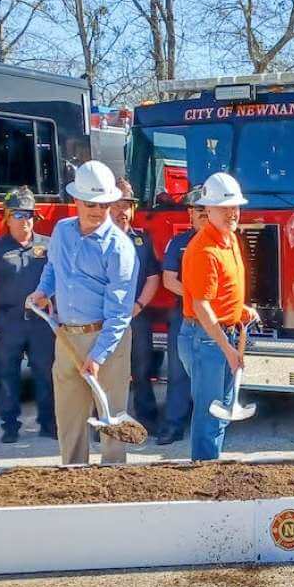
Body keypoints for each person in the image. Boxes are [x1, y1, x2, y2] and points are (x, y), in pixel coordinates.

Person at [27, 161, 138, 465]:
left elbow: (120, 312)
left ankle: (114, 481)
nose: (98, 211)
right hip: (65, 337)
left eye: (104, 205)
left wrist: (99, 355)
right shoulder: (62, 232)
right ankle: (74, 479)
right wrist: (42, 291)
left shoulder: (120, 249)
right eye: (90, 204)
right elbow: (52, 268)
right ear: (75, 200)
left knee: (111, 418)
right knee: (70, 417)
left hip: (108, 340)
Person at [179, 173, 258, 461]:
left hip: (222, 334)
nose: (231, 213)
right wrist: (227, 348)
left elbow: (223, 292)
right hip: (207, 339)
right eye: (224, 208)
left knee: (222, 409)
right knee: (210, 411)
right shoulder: (204, 250)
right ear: (207, 210)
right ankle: (204, 471)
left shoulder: (231, 240)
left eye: (235, 207)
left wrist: (241, 309)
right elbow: (202, 306)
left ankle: (212, 464)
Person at [0, 187, 55, 443]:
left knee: (45, 373)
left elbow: (59, 281)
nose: (25, 220)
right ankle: (10, 426)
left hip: (40, 321)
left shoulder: (48, 245)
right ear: (7, 218)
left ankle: (48, 423)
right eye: (19, 214)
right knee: (8, 376)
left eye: (29, 214)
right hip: (7, 322)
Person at [110, 178, 161, 433]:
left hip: (136, 315)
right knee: (108, 373)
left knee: (142, 370)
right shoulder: (97, 241)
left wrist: (139, 305)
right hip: (105, 319)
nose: (122, 211)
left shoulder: (142, 240)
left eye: (127, 204)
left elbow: (153, 277)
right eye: (117, 204)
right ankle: (107, 425)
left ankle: (146, 419)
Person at [157, 187, 207, 445]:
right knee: (178, 372)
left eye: (207, 210)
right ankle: (173, 425)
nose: (203, 214)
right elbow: (168, 279)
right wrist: (197, 299)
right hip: (184, 315)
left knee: (212, 374)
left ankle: (210, 425)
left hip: (216, 318)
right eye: (199, 210)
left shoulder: (227, 242)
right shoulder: (178, 243)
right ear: (190, 213)